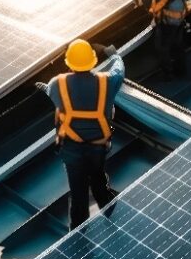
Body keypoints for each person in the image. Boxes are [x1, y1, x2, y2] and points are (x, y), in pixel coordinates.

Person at [38, 39, 125, 231]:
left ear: (69, 63)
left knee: (78, 193)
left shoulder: (55, 84)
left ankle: (78, 233)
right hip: (98, 146)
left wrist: (44, 88)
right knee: (98, 180)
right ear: (92, 62)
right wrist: (114, 55)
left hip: (71, 149)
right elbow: (120, 70)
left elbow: (53, 94)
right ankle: (110, 211)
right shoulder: (108, 82)